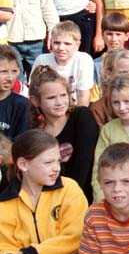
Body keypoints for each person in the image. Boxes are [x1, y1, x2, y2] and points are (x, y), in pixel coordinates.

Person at [0, 130, 87, 254]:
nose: (56, 168)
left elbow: (76, 235)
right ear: (23, 164)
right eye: (48, 162)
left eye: (57, 161)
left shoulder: (68, 188)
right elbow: (4, 241)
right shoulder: (6, 202)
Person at [28, 66, 98, 198]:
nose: (59, 102)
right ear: (35, 101)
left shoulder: (81, 116)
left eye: (63, 95)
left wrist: (70, 198)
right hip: (49, 198)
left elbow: (84, 161)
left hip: (81, 196)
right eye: (51, 98)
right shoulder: (36, 133)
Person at [91, 75, 129, 202]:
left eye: (127, 101)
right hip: (112, 194)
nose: (121, 107)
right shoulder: (108, 130)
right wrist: (101, 200)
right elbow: (98, 168)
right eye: (116, 102)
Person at [31, 21, 94, 107]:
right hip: (48, 108)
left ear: (77, 45)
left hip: (74, 108)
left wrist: (78, 118)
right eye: (56, 43)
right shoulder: (42, 60)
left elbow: (83, 96)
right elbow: (33, 91)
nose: (61, 48)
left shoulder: (83, 59)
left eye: (67, 44)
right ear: (51, 42)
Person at [0, 46, 29, 140]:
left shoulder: (22, 105)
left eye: (14, 71)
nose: (10, 78)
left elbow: (20, 142)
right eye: (3, 72)